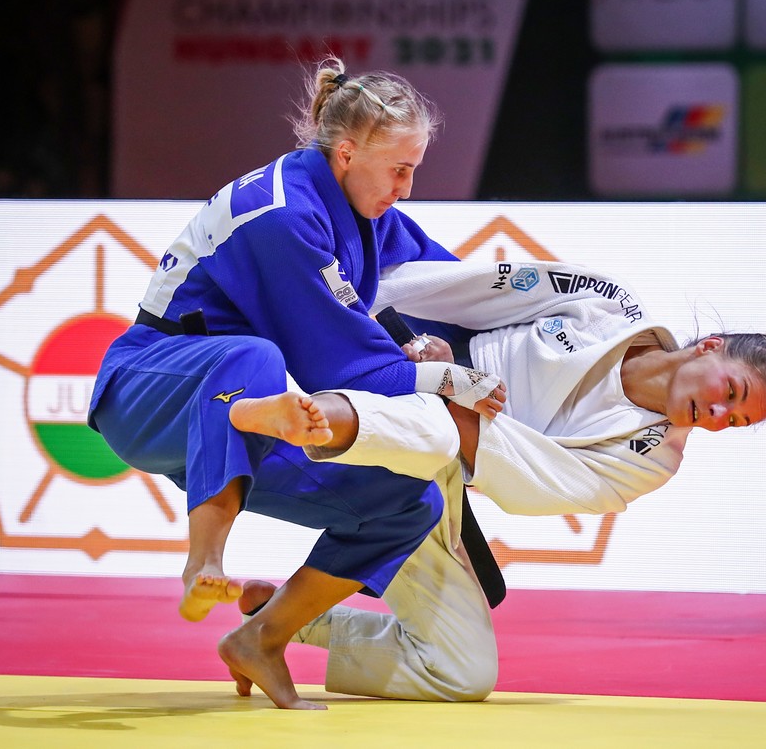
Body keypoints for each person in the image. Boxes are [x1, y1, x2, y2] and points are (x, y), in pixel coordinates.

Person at [87, 57, 505, 709]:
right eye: (400, 169)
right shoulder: (280, 213)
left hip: (236, 421)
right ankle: (205, 562)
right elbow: (343, 369)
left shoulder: (371, 212)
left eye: (414, 170)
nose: (407, 188)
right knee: (251, 358)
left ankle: (262, 635)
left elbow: (454, 292)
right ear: (348, 153)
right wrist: (447, 376)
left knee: (406, 500)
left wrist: (553, 326)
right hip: (148, 391)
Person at [224, 259, 766, 702]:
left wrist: (453, 389)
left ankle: (279, 620)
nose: (717, 414)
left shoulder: (653, 461)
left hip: (443, 463)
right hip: (393, 367)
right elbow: (463, 290)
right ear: (709, 347)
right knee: (429, 428)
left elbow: (533, 484)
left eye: (734, 421)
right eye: (730, 392)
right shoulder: (605, 304)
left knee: (462, 674)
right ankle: (303, 416)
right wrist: (370, 319)